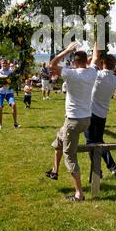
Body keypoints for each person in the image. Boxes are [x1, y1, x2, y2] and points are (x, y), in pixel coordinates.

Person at [46, 42, 97, 202]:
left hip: (73, 122)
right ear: (86, 61)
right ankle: (54, 171)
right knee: (59, 139)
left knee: (70, 156)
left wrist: (67, 49)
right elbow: (95, 57)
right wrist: (97, 40)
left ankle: (79, 194)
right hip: (85, 120)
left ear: (74, 61)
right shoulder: (92, 72)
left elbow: (52, 65)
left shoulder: (71, 74)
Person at [85, 47, 116, 176]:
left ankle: (96, 170)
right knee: (99, 140)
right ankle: (112, 166)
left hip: (91, 112)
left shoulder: (98, 76)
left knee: (90, 142)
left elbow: (87, 67)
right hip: (103, 113)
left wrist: (95, 58)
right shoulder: (115, 79)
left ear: (102, 63)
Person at [0, 58, 20, 130]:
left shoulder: (10, 71)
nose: (4, 64)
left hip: (9, 92)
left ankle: (15, 123)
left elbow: (14, 79)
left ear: (7, 64)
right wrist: (9, 78)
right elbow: (0, 77)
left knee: (14, 105)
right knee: (0, 107)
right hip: (0, 92)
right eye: (3, 63)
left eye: (5, 63)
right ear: (1, 64)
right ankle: (0, 125)